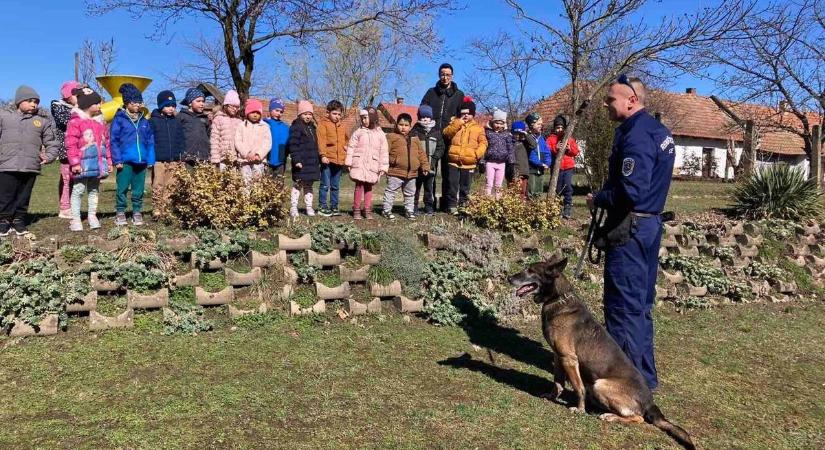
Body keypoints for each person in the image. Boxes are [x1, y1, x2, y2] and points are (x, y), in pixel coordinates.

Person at [586, 75, 676, 391]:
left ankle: (625, 385)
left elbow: (630, 191)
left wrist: (598, 198)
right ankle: (644, 378)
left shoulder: (637, 136)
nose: (606, 104)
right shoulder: (658, 132)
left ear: (631, 100)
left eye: (611, 99)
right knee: (640, 306)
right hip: (648, 225)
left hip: (631, 228)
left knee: (622, 307)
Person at [0, 86, 60, 237]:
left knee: (23, 195)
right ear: (19, 101)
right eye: (29, 101)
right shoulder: (5, 118)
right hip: (7, 164)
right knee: (5, 195)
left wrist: (49, 156)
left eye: (36, 102)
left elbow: (52, 142)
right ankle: (4, 220)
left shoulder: (42, 122)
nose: (33, 104)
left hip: (30, 166)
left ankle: (19, 220)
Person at [420, 63, 465, 211]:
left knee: (448, 173)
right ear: (439, 75)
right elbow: (422, 110)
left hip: (449, 138)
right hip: (432, 137)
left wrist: (455, 123)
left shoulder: (459, 95)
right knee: (430, 171)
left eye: (448, 74)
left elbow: (463, 116)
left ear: (452, 76)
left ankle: (447, 204)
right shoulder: (431, 92)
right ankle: (430, 203)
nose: (445, 77)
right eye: (442, 74)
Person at [65, 87, 111, 231]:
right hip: (82, 164)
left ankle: (92, 216)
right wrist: (75, 163)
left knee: (94, 190)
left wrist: (108, 161)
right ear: (86, 104)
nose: (99, 106)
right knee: (78, 190)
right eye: (96, 103)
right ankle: (75, 218)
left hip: (97, 164)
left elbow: (107, 143)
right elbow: (70, 144)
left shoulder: (101, 122)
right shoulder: (75, 122)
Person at [110, 83, 155, 226]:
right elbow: (114, 140)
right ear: (127, 103)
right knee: (122, 187)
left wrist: (150, 159)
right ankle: (120, 212)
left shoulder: (144, 121)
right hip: (124, 161)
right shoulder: (119, 119)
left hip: (141, 161)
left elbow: (150, 141)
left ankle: (137, 211)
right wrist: (117, 159)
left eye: (139, 102)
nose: (138, 105)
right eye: (135, 102)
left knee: (138, 188)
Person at [442, 96, 487, 214]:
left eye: (468, 113)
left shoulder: (478, 128)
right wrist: (457, 123)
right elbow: (446, 133)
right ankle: (452, 205)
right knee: (452, 185)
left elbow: (483, 143)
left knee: (465, 186)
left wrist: (477, 154)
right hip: (453, 161)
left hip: (469, 162)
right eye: (463, 113)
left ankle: (463, 205)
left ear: (473, 114)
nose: (465, 115)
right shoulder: (455, 124)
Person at [382, 113, 429, 220]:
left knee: (410, 193)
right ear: (396, 124)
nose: (403, 127)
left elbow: (421, 154)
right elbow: (384, 153)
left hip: (412, 173)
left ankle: (409, 211)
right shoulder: (391, 137)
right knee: (391, 191)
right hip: (395, 171)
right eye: (401, 124)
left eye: (406, 125)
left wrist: (425, 166)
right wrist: (387, 164)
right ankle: (386, 210)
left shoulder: (415, 139)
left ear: (410, 126)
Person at [345, 107, 388, 220]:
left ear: (373, 118)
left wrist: (383, 167)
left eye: (366, 118)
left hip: (372, 165)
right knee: (359, 186)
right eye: (362, 118)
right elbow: (351, 147)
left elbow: (383, 152)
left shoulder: (381, 135)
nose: (363, 120)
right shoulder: (358, 132)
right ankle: (356, 209)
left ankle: (367, 209)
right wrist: (349, 162)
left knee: (369, 188)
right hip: (359, 163)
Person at [149, 90, 185, 220]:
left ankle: (166, 209)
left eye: (173, 105)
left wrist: (181, 156)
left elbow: (181, 140)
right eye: (168, 105)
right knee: (158, 184)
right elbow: (150, 141)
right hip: (159, 160)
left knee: (171, 184)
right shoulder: (153, 121)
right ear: (160, 106)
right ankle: (157, 209)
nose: (171, 108)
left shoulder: (176, 122)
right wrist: (150, 158)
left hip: (174, 159)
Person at [52, 81, 82, 219]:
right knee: (66, 179)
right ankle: (64, 208)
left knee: (76, 180)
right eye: (77, 94)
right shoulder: (58, 106)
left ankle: (73, 207)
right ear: (69, 96)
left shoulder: (79, 107)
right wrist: (77, 109)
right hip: (65, 150)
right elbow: (64, 121)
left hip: (78, 149)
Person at [316, 100, 349, 217]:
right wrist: (323, 155)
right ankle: (322, 206)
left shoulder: (342, 126)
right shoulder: (323, 124)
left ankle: (334, 206)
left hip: (339, 160)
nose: (337, 116)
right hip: (328, 159)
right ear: (328, 113)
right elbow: (321, 141)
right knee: (325, 184)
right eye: (334, 113)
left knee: (335, 185)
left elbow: (346, 139)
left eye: (339, 114)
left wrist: (346, 145)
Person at [288, 100, 321, 217]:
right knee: (298, 185)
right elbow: (293, 144)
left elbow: (315, 146)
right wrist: (296, 160)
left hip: (311, 163)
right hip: (301, 162)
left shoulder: (312, 128)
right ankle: (293, 207)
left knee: (308, 186)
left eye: (310, 114)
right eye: (305, 113)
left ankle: (309, 207)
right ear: (300, 114)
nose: (308, 116)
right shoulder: (296, 127)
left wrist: (318, 160)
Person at [411, 104, 444, 215]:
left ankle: (429, 207)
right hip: (417, 167)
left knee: (429, 189)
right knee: (415, 188)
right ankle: (414, 207)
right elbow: (411, 146)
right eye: (422, 117)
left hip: (431, 166)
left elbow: (441, 147)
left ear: (431, 118)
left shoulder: (436, 132)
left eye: (427, 117)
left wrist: (435, 158)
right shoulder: (415, 131)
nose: (425, 119)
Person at [548, 114, 580, 219]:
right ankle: (556, 207)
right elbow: (547, 150)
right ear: (554, 128)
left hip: (568, 167)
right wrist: (555, 148)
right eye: (557, 127)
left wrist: (569, 148)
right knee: (557, 187)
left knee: (567, 187)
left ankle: (567, 206)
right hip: (557, 168)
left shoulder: (569, 138)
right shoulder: (551, 139)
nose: (560, 130)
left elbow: (576, 151)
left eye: (562, 127)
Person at [234, 98, 271, 184]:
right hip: (244, 161)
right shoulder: (241, 126)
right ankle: (245, 198)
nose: (255, 115)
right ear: (247, 113)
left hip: (259, 161)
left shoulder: (265, 126)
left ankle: (255, 198)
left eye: (258, 113)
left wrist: (259, 154)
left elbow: (267, 143)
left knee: (257, 184)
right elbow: (238, 141)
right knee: (245, 183)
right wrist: (246, 153)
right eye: (253, 112)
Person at [484, 108, 515, 199]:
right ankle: (487, 200)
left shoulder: (506, 134)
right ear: (492, 123)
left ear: (504, 124)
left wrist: (511, 159)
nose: (498, 125)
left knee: (499, 183)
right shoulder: (488, 133)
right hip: (490, 162)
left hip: (502, 163)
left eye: (501, 123)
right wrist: (482, 160)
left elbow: (510, 148)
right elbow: (484, 147)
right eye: (497, 123)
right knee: (489, 182)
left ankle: (498, 200)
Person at [178, 87, 211, 166]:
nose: (202, 104)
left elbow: (209, 135)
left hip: (203, 157)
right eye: (198, 101)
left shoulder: (205, 118)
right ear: (190, 103)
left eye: (203, 101)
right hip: (187, 158)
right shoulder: (181, 116)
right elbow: (177, 137)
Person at [210, 90, 242, 167]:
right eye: (233, 106)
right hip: (222, 158)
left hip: (236, 158)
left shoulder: (239, 121)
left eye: (237, 107)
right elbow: (215, 139)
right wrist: (215, 158)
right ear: (226, 105)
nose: (235, 109)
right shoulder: (218, 119)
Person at [525, 112, 552, 199]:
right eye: (538, 124)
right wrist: (539, 163)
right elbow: (531, 155)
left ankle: (537, 207)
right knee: (531, 189)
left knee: (539, 189)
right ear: (532, 124)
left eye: (541, 124)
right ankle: (530, 207)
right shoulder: (528, 137)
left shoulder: (541, 138)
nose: (541, 125)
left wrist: (547, 162)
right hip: (532, 168)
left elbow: (547, 151)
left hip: (541, 168)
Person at [264, 98, 289, 176]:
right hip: (267, 158)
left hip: (280, 160)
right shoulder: (264, 124)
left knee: (279, 183)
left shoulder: (285, 127)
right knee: (266, 183)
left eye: (281, 112)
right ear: (271, 110)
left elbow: (288, 142)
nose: (279, 113)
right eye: (276, 110)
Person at [511, 121, 533, 200]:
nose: (517, 136)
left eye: (519, 134)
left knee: (522, 191)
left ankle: (521, 208)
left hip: (523, 171)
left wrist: (526, 134)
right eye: (515, 133)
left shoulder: (525, 143)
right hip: (513, 171)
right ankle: (515, 208)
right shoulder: (510, 142)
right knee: (514, 191)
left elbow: (534, 144)